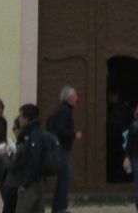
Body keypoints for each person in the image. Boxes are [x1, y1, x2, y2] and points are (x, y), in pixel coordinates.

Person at [11, 103, 52, 213]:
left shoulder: (34, 136)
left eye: (20, 116)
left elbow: (34, 161)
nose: (19, 118)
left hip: (31, 183)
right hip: (37, 181)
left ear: (26, 118)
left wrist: (25, 183)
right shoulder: (34, 133)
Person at [47, 85, 80, 213]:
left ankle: (59, 207)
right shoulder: (64, 111)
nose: (77, 99)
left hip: (61, 148)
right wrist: (73, 135)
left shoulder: (61, 110)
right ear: (70, 97)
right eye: (76, 96)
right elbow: (60, 130)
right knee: (65, 176)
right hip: (61, 149)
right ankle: (60, 208)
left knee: (65, 176)